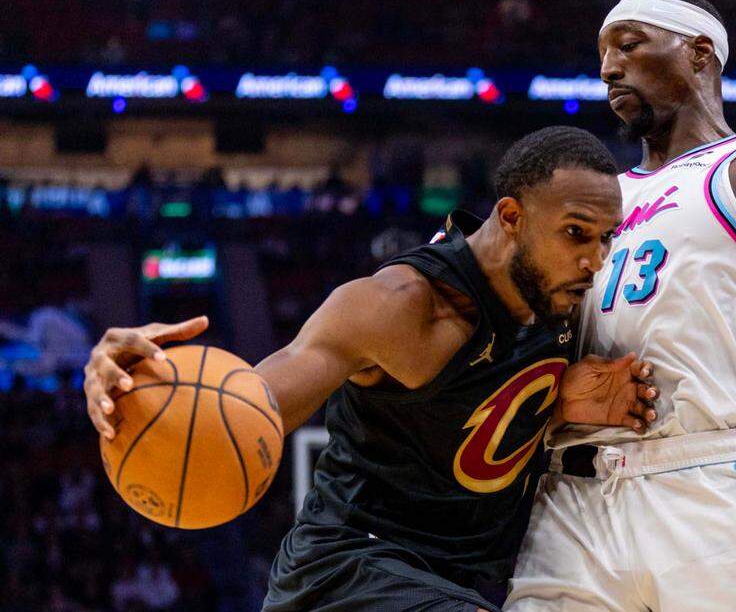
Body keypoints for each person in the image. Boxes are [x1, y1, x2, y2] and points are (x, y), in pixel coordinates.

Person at [82, 126, 660, 612]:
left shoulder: (560, 297)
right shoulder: (401, 305)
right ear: (511, 216)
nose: (595, 259)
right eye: (576, 234)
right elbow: (257, 403)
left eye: (606, 238)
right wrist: (133, 389)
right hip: (350, 570)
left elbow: (473, 412)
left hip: (463, 582)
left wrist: (556, 407)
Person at [506, 0, 736, 612]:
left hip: (711, 488)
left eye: (629, 45)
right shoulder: (590, 201)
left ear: (699, 54)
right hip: (570, 505)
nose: (608, 68)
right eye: (601, 54)